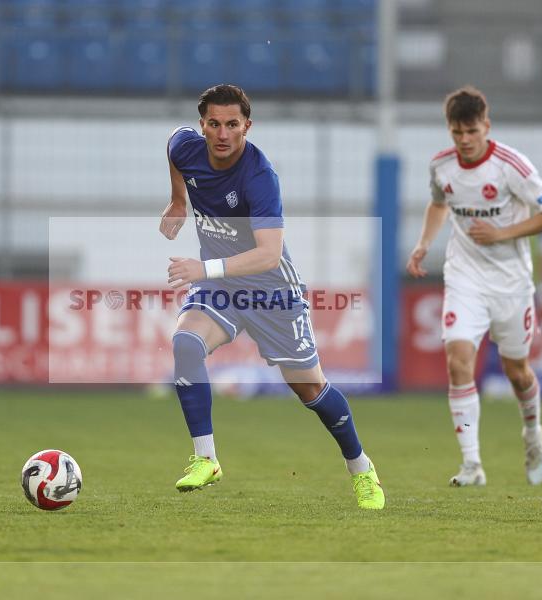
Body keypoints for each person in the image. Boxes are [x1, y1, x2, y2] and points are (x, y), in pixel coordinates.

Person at [159, 84, 384, 510]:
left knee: (311, 391)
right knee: (185, 343)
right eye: (214, 124)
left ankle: (362, 468)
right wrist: (177, 200)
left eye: (232, 125)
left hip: (271, 292)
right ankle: (205, 458)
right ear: (202, 125)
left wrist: (202, 268)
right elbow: (173, 143)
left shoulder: (258, 176)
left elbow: (269, 253)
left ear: (247, 125)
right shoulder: (186, 149)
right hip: (220, 289)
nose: (223, 134)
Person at [406, 86, 542, 487]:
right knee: (458, 360)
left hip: (511, 282)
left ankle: (532, 433)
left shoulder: (511, 165)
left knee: (517, 372)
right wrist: (424, 244)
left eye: (471, 132)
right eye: (457, 133)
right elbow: (439, 203)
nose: (464, 140)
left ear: (486, 127)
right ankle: (472, 465)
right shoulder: (441, 165)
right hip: (465, 277)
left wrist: (503, 232)